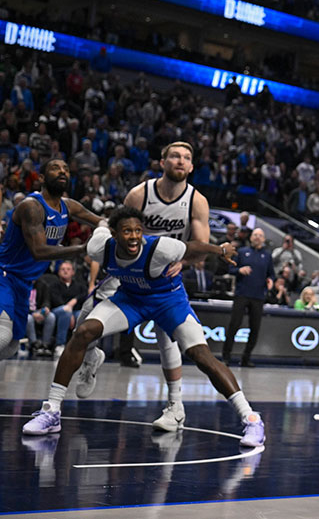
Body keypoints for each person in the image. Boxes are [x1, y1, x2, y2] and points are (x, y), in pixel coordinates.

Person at [21, 207, 265, 447]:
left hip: (168, 301)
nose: (135, 236)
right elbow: (98, 225)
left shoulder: (159, 247)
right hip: (131, 299)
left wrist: (219, 249)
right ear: (115, 234)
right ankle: (51, 411)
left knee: (200, 355)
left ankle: (251, 419)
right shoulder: (100, 246)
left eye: (138, 230)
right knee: (84, 331)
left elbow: (192, 247)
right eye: (127, 231)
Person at [76, 142, 212, 433]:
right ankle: (91, 357)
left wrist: (184, 262)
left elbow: (201, 248)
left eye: (187, 158)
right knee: (85, 319)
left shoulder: (196, 201)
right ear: (161, 161)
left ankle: (175, 407)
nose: (180, 161)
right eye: (174, 155)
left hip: (165, 277)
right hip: (129, 268)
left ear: (191, 167)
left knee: (168, 340)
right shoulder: (140, 194)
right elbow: (114, 236)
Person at [0, 160, 101, 362]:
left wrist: (114, 229)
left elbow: (101, 221)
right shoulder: (31, 206)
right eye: (55, 168)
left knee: (11, 346)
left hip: (24, 282)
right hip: (4, 274)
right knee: (3, 336)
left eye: (65, 168)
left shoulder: (69, 206)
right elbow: (39, 251)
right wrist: (82, 249)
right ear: (42, 178)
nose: (62, 171)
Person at [223, 228, 275, 367]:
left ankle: (246, 358)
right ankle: (226, 357)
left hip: (258, 296)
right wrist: (239, 270)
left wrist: (270, 280)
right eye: (255, 235)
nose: (257, 237)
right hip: (242, 294)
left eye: (260, 235)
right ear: (251, 237)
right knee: (234, 325)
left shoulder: (267, 256)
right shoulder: (241, 252)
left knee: (255, 328)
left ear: (264, 239)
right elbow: (231, 269)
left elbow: (271, 274)